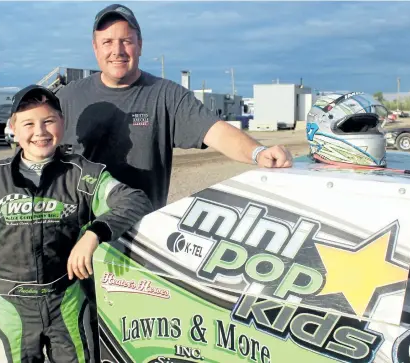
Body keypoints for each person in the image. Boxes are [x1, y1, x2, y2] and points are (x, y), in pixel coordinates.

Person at [55, 4, 293, 361]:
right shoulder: (69, 98)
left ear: (140, 44)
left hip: (136, 245)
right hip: (75, 244)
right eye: (107, 42)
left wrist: (259, 153)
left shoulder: (164, 96)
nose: (117, 50)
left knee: (131, 339)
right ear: (94, 47)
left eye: (126, 41)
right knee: (77, 338)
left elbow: (217, 133)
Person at [0, 84, 153, 363]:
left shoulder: (84, 175)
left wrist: (94, 234)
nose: (40, 131)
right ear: (12, 127)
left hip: (68, 300)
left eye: (49, 121)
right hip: (10, 308)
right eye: (28, 123)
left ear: (62, 123)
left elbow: (135, 201)